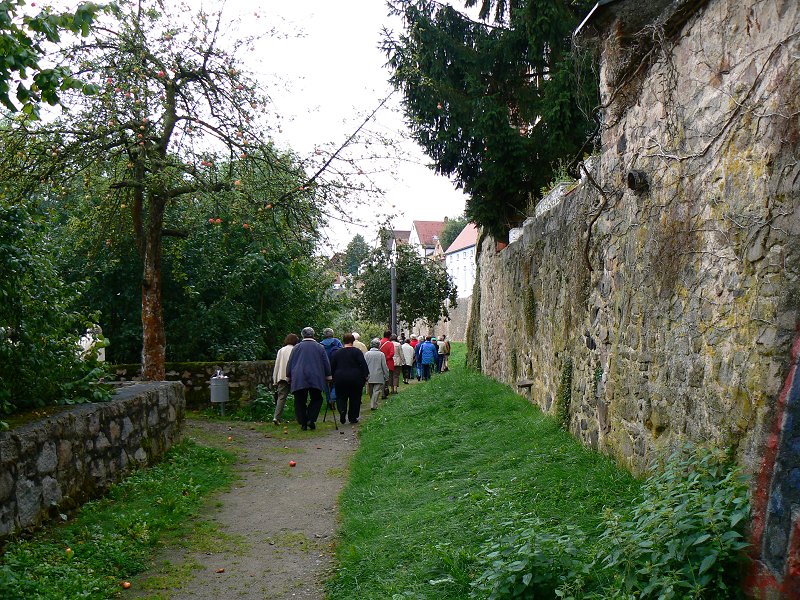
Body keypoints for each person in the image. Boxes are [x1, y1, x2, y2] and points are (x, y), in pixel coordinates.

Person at [286, 327, 332, 430]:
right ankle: (311, 418)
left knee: (299, 400)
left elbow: (290, 362)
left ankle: (303, 423)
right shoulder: (320, 347)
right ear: (313, 335)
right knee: (317, 398)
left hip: (299, 376)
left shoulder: (296, 348)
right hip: (316, 376)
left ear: (302, 335)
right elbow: (326, 362)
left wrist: (288, 376)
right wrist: (328, 376)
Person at [331, 333, 369, 424]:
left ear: (343, 341)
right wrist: (366, 375)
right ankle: (353, 417)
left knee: (340, 396)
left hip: (340, 378)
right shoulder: (357, 352)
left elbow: (332, 366)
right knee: (355, 398)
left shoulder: (337, 353)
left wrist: (332, 377)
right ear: (353, 341)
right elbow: (363, 364)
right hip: (355, 378)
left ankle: (342, 410)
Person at [271, 333, 298, 424]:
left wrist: (275, 380)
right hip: (294, 377)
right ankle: (299, 417)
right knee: (298, 397)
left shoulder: (281, 350)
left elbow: (277, 365)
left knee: (281, 397)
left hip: (282, 377)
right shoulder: (296, 349)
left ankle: (276, 417)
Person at [320, 328, 343, 408]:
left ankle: (329, 401)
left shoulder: (321, 344)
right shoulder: (337, 342)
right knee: (335, 384)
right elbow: (342, 353)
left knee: (326, 385)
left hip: (324, 367)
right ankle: (332, 399)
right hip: (336, 366)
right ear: (332, 334)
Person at [365, 338, 389, 410]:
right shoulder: (381, 354)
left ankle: (373, 403)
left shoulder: (367, 354)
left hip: (369, 375)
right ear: (378, 346)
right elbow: (384, 366)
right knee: (376, 390)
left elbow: (364, 365)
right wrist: (386, 375)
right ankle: (373, 404)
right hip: (378, 375)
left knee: (371, 390)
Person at [379, 330, 395, 397]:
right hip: (388, 362)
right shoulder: (390, 343)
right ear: (390, 336)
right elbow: (392, 353)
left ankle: (382, 391)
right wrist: (386, 358)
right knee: (388, 377)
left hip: (379, 362)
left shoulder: (380, 342)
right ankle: (388, 390)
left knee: (381, 377)